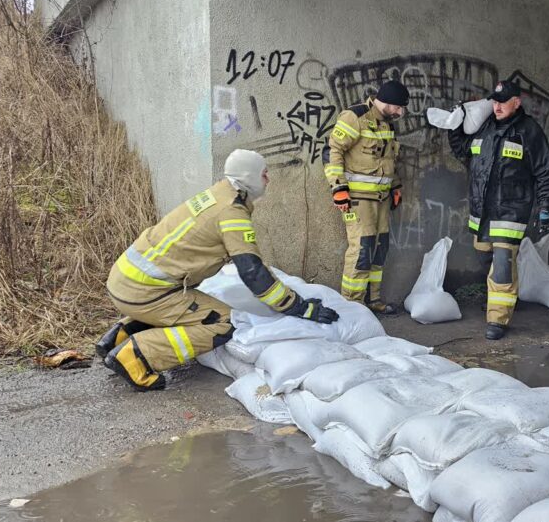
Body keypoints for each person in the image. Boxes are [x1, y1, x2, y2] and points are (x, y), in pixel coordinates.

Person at [98, 149, 340, 391]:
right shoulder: (231, 212)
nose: (268, 180)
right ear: (249, 177)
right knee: (224, 322)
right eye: (264, 174)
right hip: (145, 293)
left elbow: (249, 261)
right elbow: (253, 273)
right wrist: (298, 306)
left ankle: (120, 335)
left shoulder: (216, 195)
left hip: (126, 281)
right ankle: (136, 356)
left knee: (190, 309)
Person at [447, 80, 549, 340]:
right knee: (484, 256)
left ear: (516, 102)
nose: (497, 106)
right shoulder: (483, 127)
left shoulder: (528, 130)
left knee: (502, 264)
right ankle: (501, 298)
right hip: (482, 212)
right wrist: (454, 127)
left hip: (511, 211)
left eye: (503, 102)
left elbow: (545, 170)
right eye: (494, 101)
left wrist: (545, 206)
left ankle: (498, 318)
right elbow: (463, 151)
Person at [324, 80, 409, 316]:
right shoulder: (355, 117)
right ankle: (351, 306)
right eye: (398, 107)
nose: (400, 113)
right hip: (358, 200)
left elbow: (388, 160)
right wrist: (338, 188)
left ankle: (373, 300)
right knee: (362, 249)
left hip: (381, 199)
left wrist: (396, 186)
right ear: (388, 101)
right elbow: (334, 152)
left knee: (379, 249)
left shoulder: (387, 124)